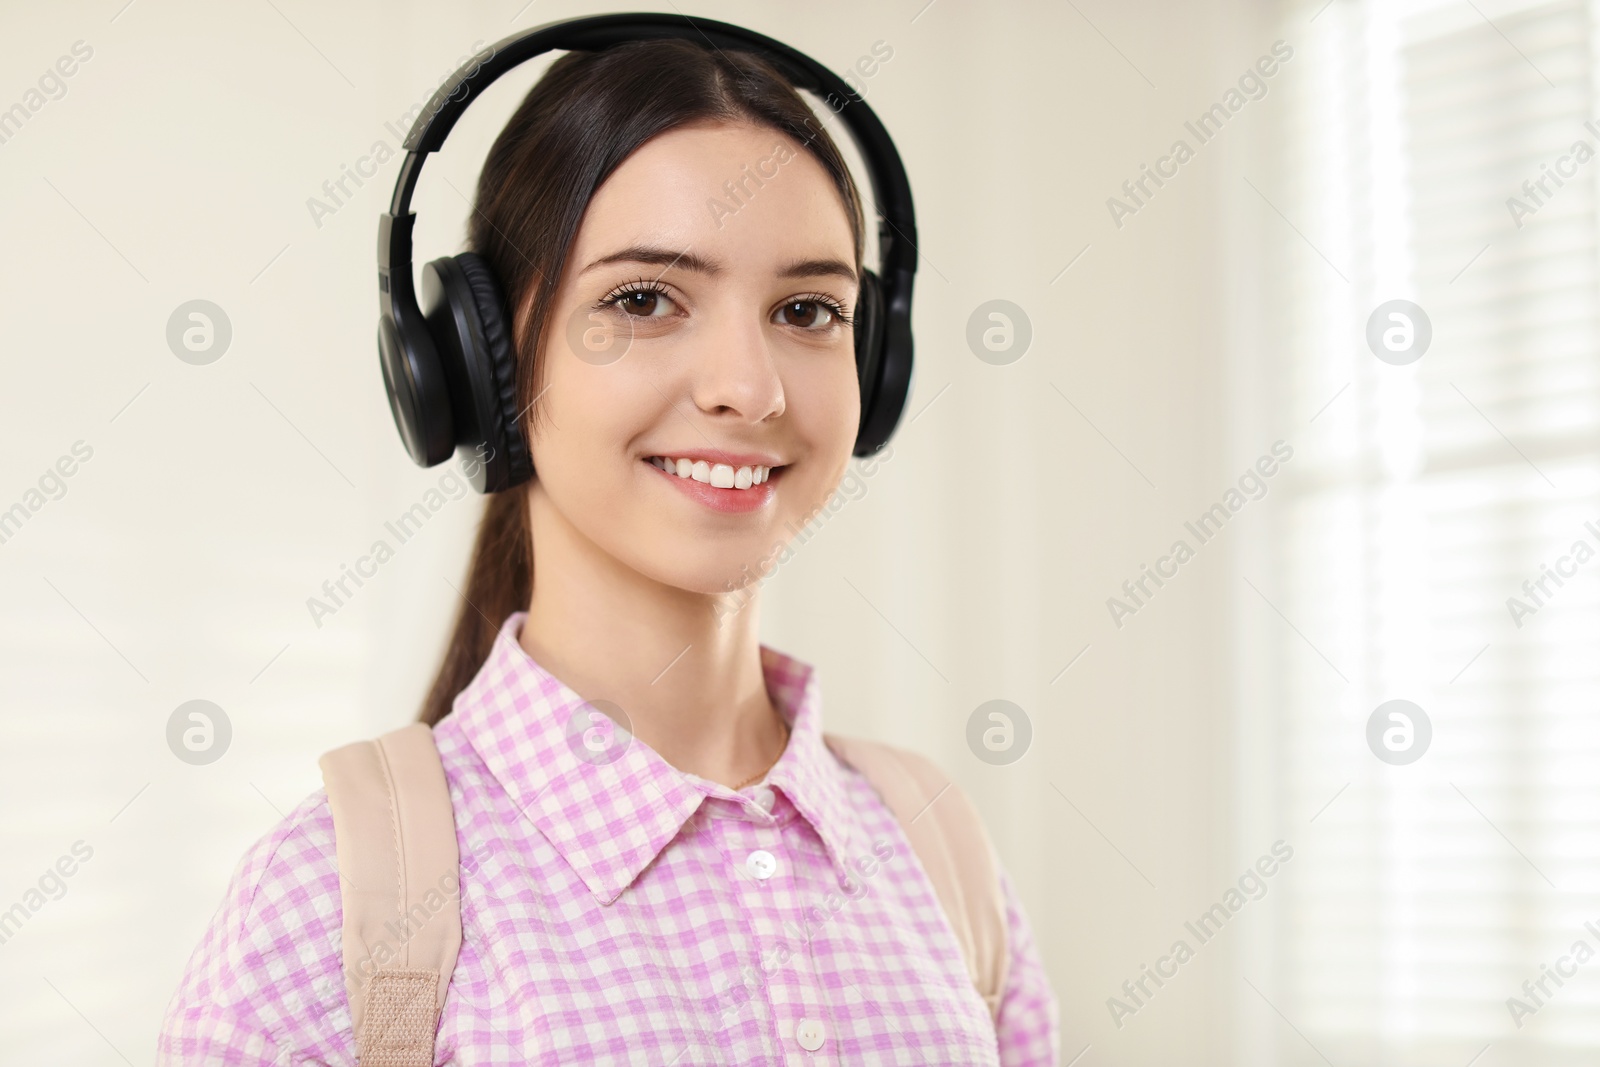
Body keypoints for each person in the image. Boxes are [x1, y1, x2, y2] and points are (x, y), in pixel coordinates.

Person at [159, 33, 1059, 1065]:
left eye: (807, 310)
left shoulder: (938, 851)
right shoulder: (325, 903)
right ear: (479, 363)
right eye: (642, 300)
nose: (749, 387)